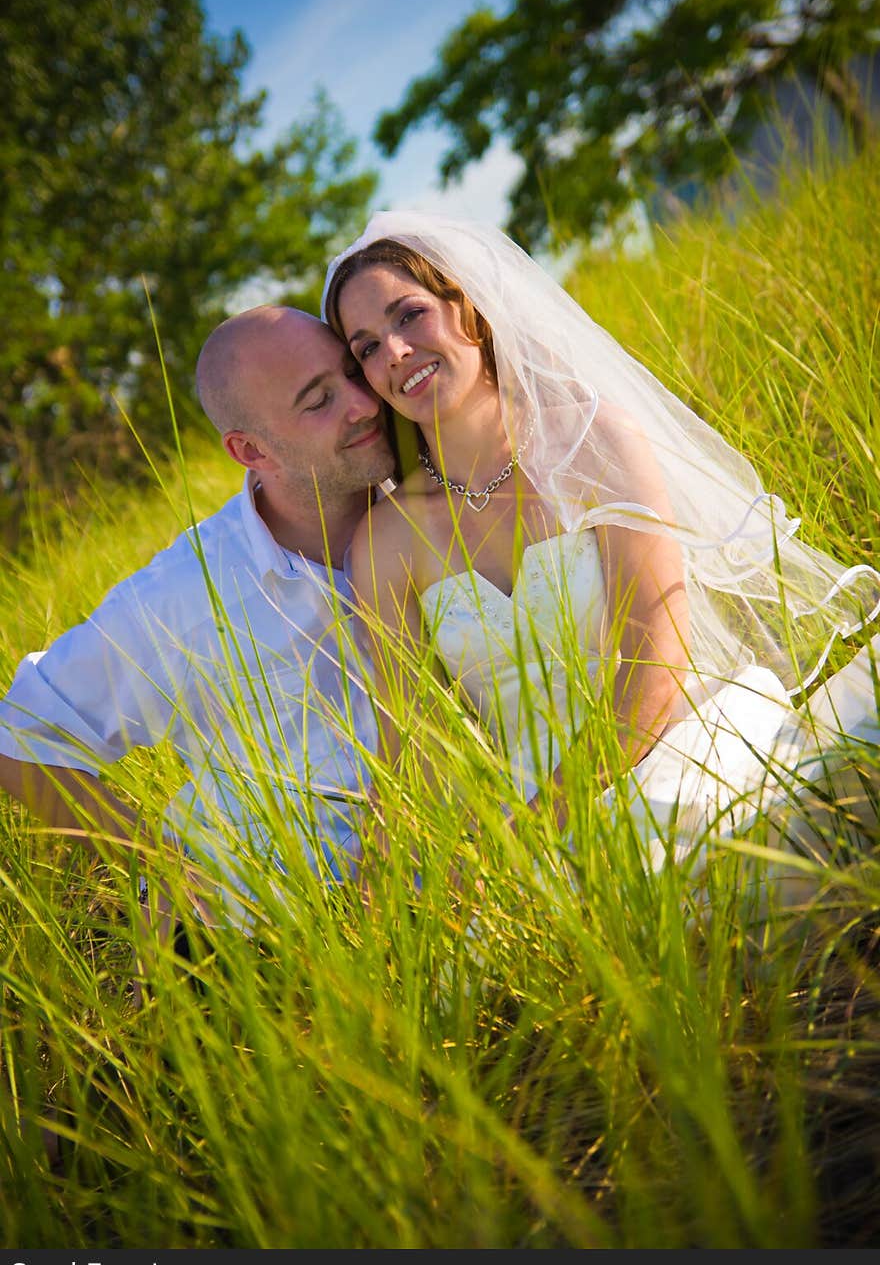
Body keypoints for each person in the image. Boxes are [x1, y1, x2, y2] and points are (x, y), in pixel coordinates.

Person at [322, 211, 880, 895]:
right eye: (367, 348)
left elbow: (657, 663)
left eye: (409, 315)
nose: (396, 353)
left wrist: (547, 823)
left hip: (669, 744)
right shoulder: (387, 543)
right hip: (517, 816)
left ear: (468, 306)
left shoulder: (594, 444)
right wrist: (375, 900)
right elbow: (415, 748)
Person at [0, 305, 396, 929]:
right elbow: (24, 736)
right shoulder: (188, 591)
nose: (363, 404)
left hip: (446, 897)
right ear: (250, 450)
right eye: (318, 401)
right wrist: (162, 874)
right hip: (265, 936)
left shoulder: (440, 504)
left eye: (352, 373)